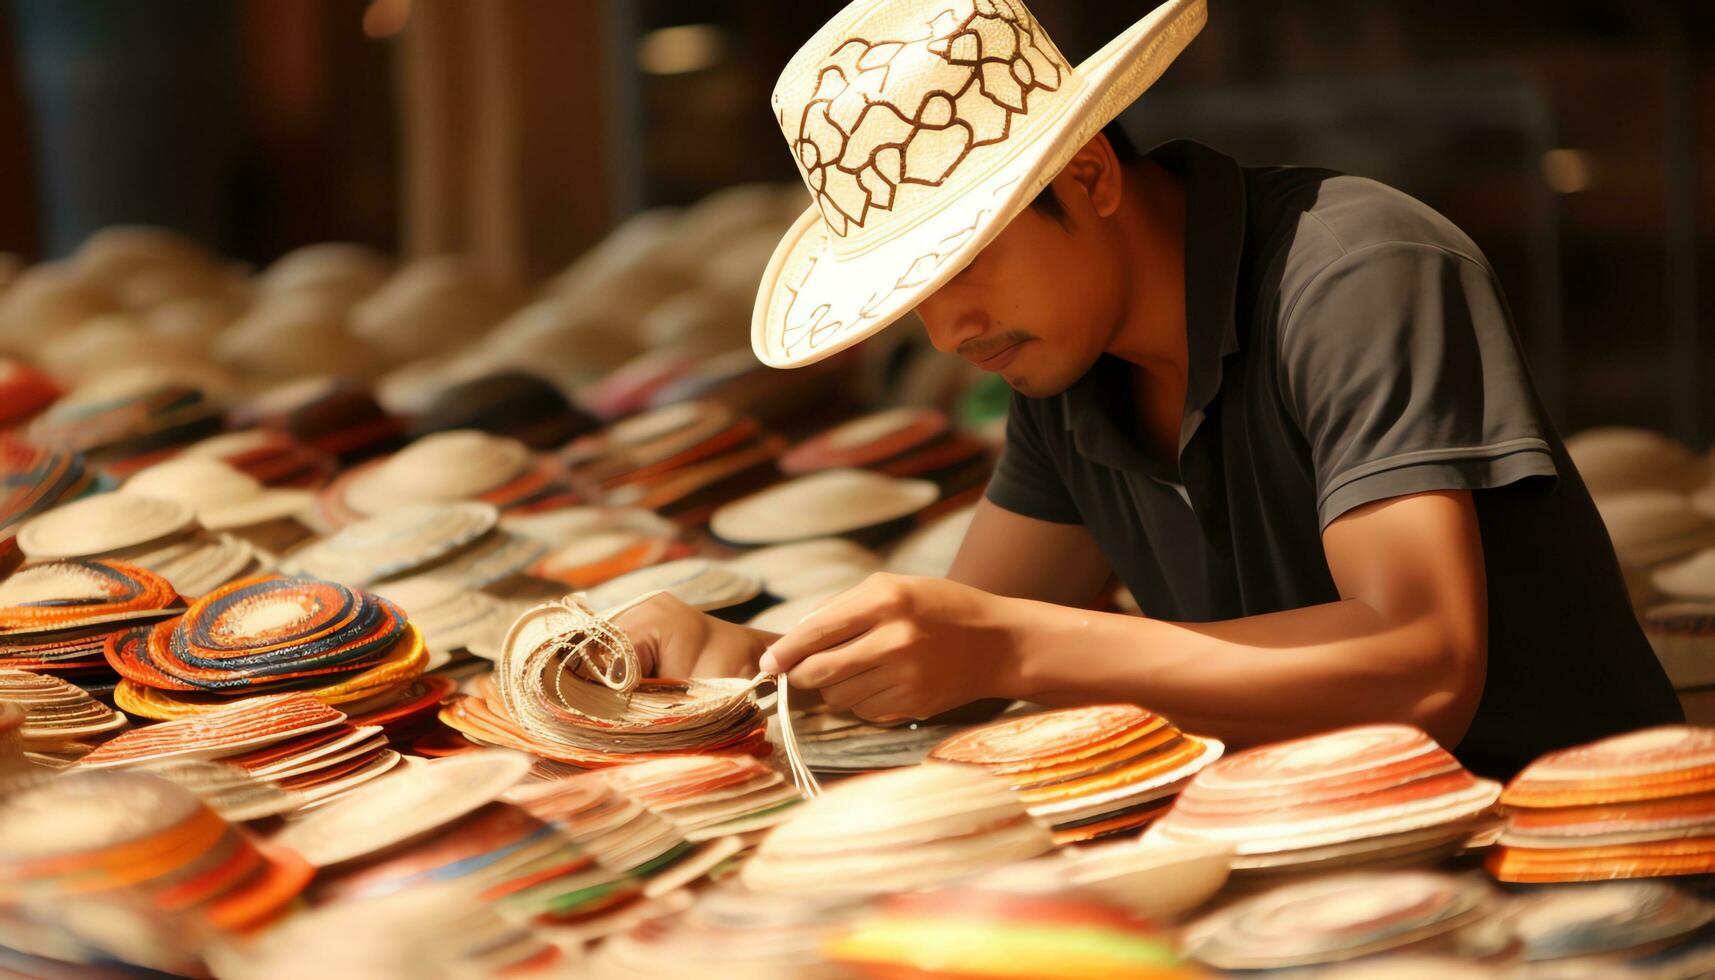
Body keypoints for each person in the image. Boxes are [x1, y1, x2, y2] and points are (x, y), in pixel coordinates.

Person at [614, 0, 1681, 777]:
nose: (947, 328)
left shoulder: (1357, 271)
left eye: (967, 260)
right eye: (917, 291)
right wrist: (745, 656)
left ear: (1086, 174)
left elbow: (1420, 662)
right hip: (1296, 840)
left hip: (1575, 844)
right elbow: (966, 645)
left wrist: (1011, 645)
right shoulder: (1065, 369)